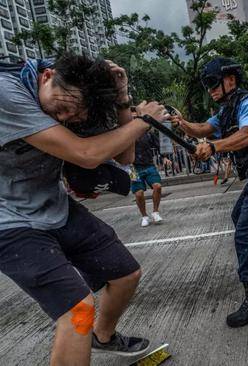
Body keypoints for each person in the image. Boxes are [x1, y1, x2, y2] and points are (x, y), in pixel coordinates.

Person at [0, 54, 169, 365]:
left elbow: (126, 157)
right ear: (47, 76)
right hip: (8, 221)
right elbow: (85, 154)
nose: (64, 118)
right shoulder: (6, 92)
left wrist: (121, 99)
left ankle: (102, 337)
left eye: (74, 116)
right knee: (78, 309)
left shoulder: (79, 93)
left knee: (125, 274)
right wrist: (143, 120)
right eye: (61, 108)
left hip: (54, 206)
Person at [172, 57, 248, 328]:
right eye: (207, 85)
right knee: (239, 218)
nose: (211, 90)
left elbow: (247, 136)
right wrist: (181, 123)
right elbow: (203, 128)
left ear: (231, 79)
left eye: (214, 83)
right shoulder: (227, 109)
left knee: (243, 236)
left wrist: (214, 147)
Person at [130, 107, 164, 227]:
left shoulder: (148, 133)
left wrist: (165, 157)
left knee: (158, 187)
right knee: (138, 194)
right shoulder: (125, 135)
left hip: (149, 164)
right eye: (132, 117)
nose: (134, 119)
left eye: (136, 117)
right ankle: (144, 216)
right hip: (133, 168)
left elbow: (159, 145)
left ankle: (155, 212)